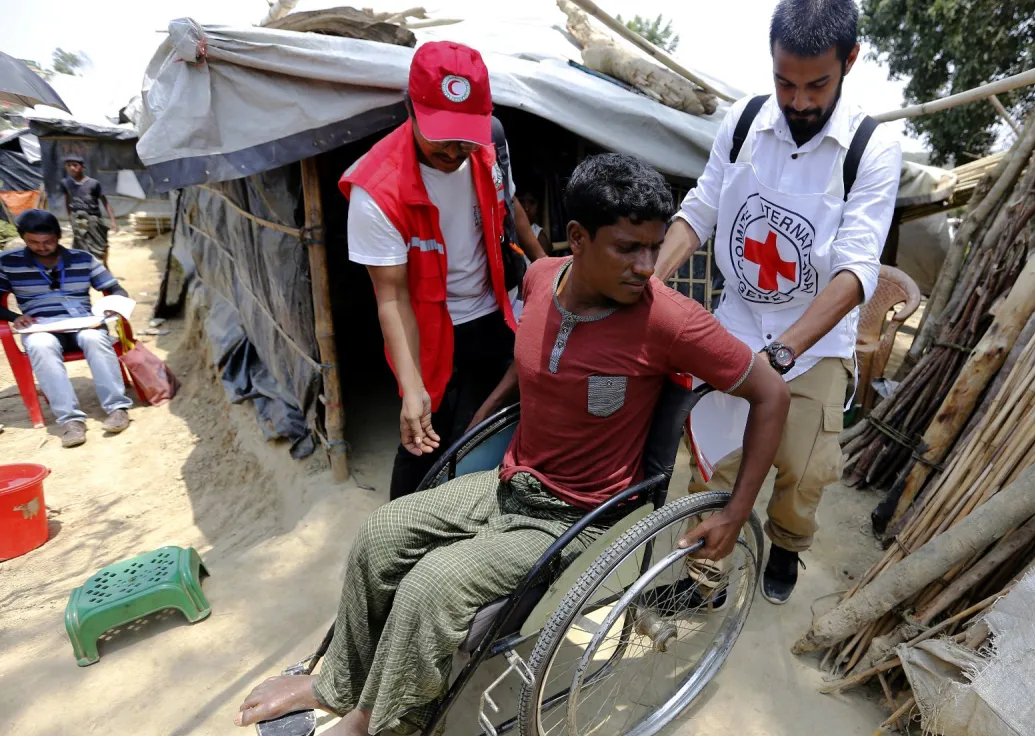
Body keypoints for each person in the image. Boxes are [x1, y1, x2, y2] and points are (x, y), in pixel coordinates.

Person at [233, 153, 791, 735]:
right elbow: (531, 354)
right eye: (628, 248)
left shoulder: (671, 322)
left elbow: (771, 396)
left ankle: (382, 721)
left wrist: (737, 509)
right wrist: (488, 410)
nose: (647, 266)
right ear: (577, 238)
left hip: (580, 514)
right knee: (379, 536)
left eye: (654, 247)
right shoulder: (542, 278)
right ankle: (336, 686)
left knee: (431, 587)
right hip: (511, 480)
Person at [655, 0, 902, 604]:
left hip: (814, 344)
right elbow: (702, 209)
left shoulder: (872, 147)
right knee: (715, 457)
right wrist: (652, 284)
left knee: (803, 468)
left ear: (850, 60)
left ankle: (787, 544)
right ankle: (703, 574)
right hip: (736, 322)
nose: (798, 101)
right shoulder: (742, 123)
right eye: (784, 82)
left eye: (816, 84)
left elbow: (855, 267)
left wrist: (785, 352)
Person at [342, 41, 543, 501]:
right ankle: (397, 533)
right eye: (443, 134)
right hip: (432, 328)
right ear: (411, 109)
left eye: (466, 135)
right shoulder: (377, 190)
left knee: (501, 421)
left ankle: (485, 511)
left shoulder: (489, 148)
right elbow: (390, 298)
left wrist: (542, 265)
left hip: (495, 312)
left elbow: (511, 209)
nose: (455, 150)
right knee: (423, 435)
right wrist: (411, 389)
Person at [0, 209, 132, 446]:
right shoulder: (8, 263)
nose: (42, 247)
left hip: (82, 323)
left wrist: (111, 305)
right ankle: (70, 421)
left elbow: (115, 289)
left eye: (48, 241)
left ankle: (117, 408)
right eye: (34, 242)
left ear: (59, 236)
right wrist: (13, 316)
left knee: (94, 338)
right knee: (41, 346)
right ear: (23, 238)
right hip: (40, 327)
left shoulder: (83, 258)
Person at [59, 154, 118, 269]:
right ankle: (84, 268)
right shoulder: (66, 183)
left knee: (102, 243)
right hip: (79, 219)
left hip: (94, 219)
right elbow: (67, 201)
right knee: (81, 243)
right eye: (68, 165)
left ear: (82, 167)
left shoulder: (93, 183)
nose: (71, 168)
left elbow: (105, 202)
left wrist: (113, 221)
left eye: (75, 165)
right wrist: (71, 218)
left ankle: (105, 265)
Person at [517, 188, 553, 255]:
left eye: (531, 202)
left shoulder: (539, 236)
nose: (526, 208)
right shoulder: (508, 230)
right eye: (521, 201)